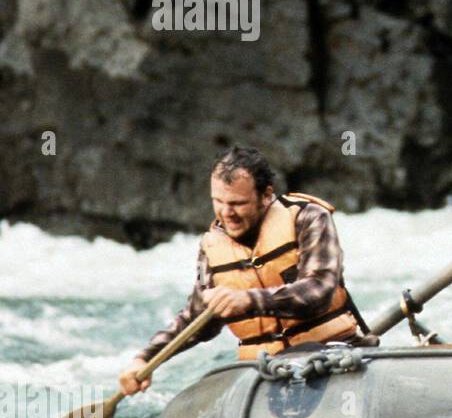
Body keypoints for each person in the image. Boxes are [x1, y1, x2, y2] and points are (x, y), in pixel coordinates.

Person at [117, 146, 370, 395]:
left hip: (333, 354)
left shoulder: (308, 218)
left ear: (266, 195)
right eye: (218, 201)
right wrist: (146, 358)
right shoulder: (213, 246)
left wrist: (248, 300)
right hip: (268, 373)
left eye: (238, 203)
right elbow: (198, 320)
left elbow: (319, 290)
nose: (227, 213)